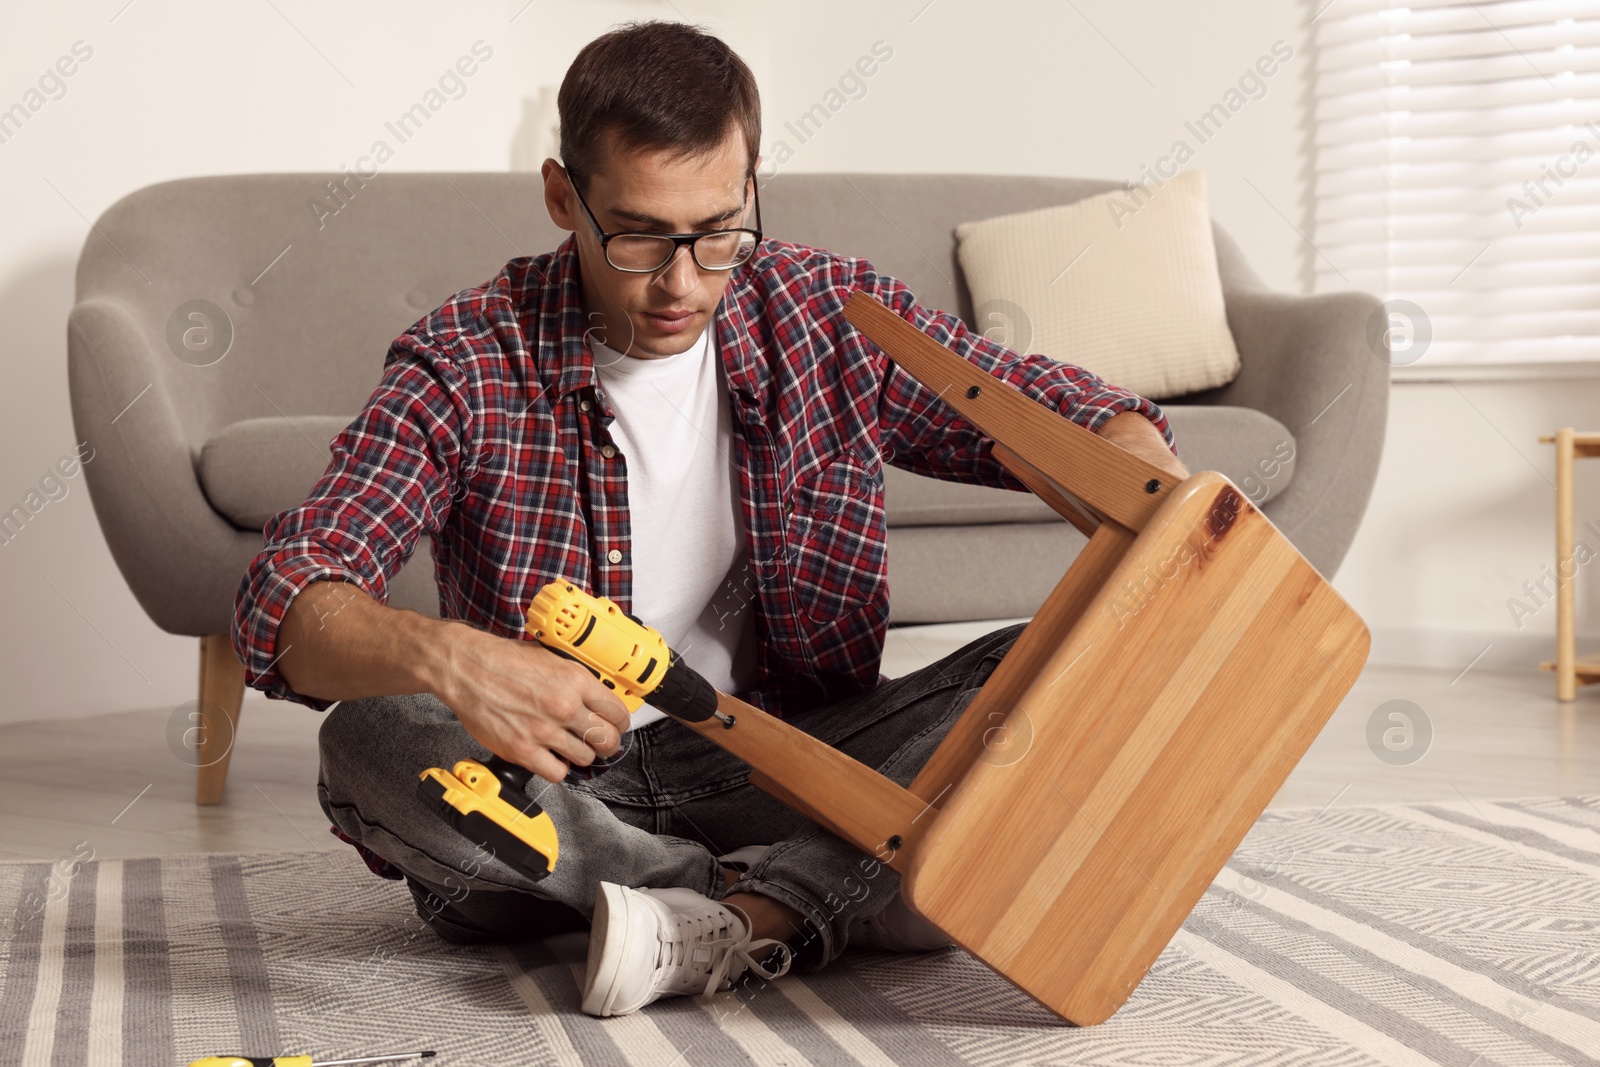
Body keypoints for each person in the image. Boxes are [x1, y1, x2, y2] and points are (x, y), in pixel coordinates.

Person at [231, 20, 1187, 1018]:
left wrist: (1137, 477)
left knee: (1058, 661)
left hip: (790, 764)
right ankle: (819, 888)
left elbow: (1073, 412)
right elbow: (289, 594)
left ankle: (742, 914)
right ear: (563, 197)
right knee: (371, 739)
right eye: (639, 234)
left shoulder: (828, 315)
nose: (683, 281)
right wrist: (456, 663)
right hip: (550, 800)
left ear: (753, 185)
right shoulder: (467, 359)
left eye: (720, 231)